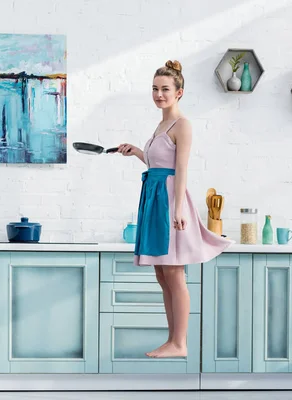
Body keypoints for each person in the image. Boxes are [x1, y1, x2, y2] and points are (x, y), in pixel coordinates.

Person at [117, 60, 233, 358]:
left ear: (179, 92)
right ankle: (172, 340)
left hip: (169, 200)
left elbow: (180, 170)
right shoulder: (160, 125)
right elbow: (159, 164)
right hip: (154, 197)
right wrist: (137, 152)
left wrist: (179, 209)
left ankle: (180, 343)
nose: (159, 95)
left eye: (165, 89)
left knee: (174, 270)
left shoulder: (183, 125)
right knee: (161, 272)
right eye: (155, 89)